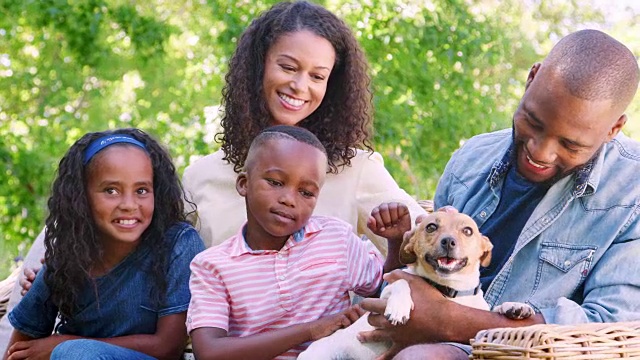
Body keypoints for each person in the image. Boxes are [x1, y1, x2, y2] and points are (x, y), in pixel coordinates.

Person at [0, 0, 427, 351]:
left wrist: (399, 236)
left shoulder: (356, 167)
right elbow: (139, 237)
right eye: (288, 66)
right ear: (258, 66)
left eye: (317, 76)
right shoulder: (205, 174)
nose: (300, 85)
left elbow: (419, 242)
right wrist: (51, 271)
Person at [357, 29, 640, 360]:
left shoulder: (631, 193)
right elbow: (427, 270)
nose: (541, 152)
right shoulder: (471, 159)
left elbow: (609, 327)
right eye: (532, 122)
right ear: (531, 78)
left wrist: (449, 321)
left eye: (570, 145)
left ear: (613, 129)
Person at [187, 125, 411, 360]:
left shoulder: (336, 238)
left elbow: (386, 293)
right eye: (275, 182)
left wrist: (395, 242)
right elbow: (209, 352)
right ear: (244, 183)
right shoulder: (211, 266)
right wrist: (311, 330)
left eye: (306, 193)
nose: (288, 199)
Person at [3, 129, 205, 360]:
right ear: (81, 196)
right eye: (111, 190)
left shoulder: (178, 243)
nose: (129, 204)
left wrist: (67, 342)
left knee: (76, 352)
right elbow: (19, 349)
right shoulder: (67, 256)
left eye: (141, 190)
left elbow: (168, 347)